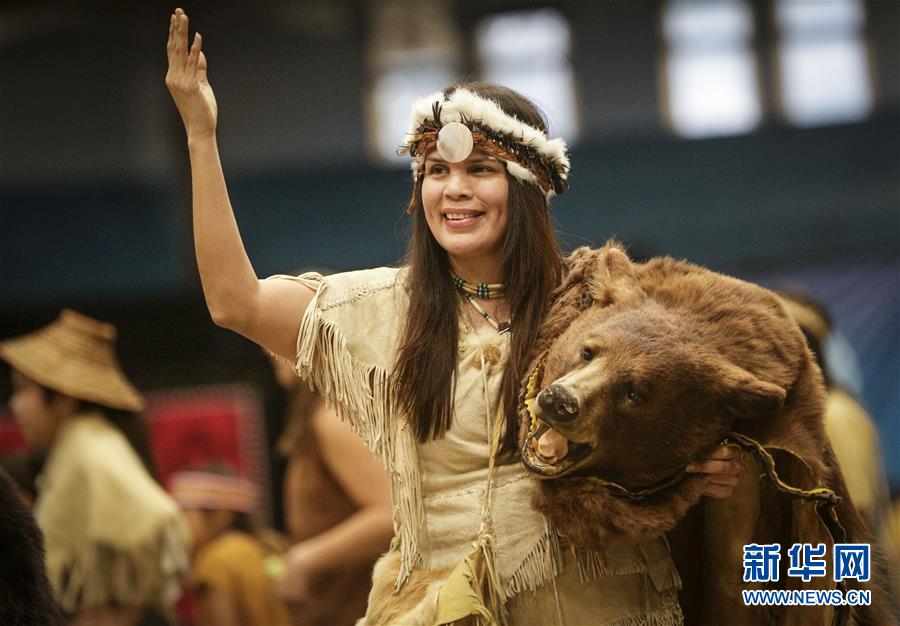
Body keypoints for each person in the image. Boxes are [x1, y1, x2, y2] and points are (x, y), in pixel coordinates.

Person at [165, 8, 743, 623]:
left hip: (594, 604)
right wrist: (201, 136)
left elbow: (689, 420)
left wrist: (698, 464)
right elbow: (236, 302)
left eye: (480, 170)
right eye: (437, 171)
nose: (455, 189)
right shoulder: (385, 309)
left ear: (526, 190)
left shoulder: (600, 304)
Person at [0, 309, 190, 626]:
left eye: (23, 389)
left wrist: (114, 603)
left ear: (64, 398)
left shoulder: (89, 445)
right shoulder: (79, 444)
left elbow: (157, 517)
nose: (15, 406)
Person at [267, 352, 393, 625]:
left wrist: (305, 560)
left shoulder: (332, 418)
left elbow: (391, 512)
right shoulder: (318, 414)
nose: (267, 350)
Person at [169, 468, 293, 626]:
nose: (178, 525)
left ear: (223, 515)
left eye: (184, 513)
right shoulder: (258, 548)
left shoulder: (216, 561)